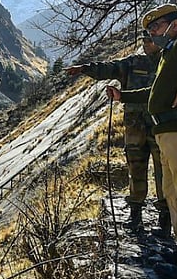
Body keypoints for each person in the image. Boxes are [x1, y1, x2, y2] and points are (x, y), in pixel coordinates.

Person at [106, 4, 177, 279]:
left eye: (156, 27)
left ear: (175, 25)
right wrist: (123, 97)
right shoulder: (171, 52)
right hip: (171, 132)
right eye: (149, 30)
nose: (152, 34)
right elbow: (156, 92)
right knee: (175, 196)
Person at [65, 32, 170, 233]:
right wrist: (84, 69)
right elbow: (108, 68)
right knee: (135, 167)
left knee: (164, 172)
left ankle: (165, 220)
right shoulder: (133, 63)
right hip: (135, 127)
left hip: (160, 126)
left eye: (149, 40)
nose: (146, 44)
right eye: (144, 40)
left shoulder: (169, 63)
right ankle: (135, 215)